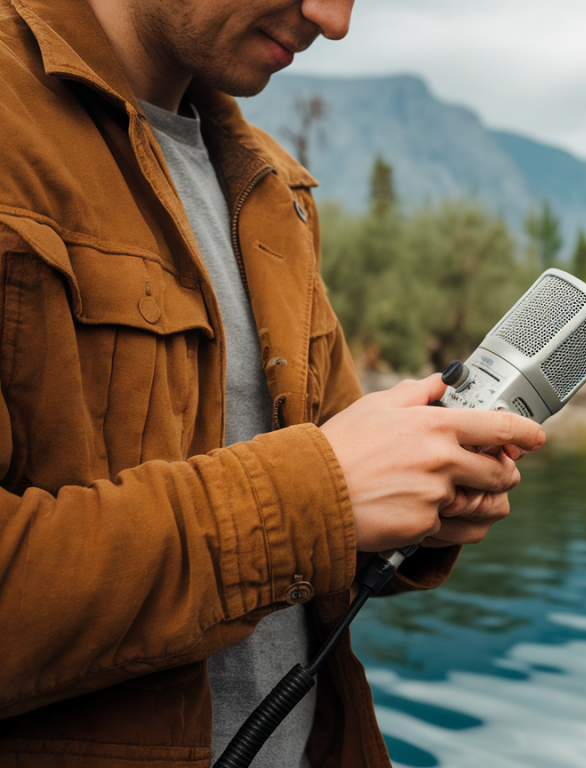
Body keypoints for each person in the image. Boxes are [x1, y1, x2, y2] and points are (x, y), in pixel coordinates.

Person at [0, 0, 545, 766]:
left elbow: (328, 504)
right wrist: (314, 498)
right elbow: (311, 494)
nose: (334, 19)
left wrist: (418, 499)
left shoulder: (270, 186)